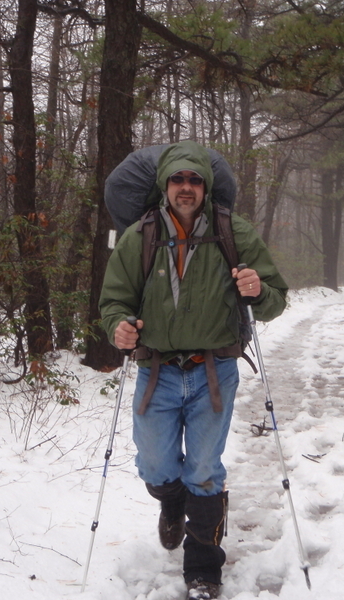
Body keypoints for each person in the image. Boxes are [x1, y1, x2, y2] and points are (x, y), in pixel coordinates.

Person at [99, 140, 288, 599]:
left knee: (204, 468)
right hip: (157, 371)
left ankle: (204, 568)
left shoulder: (233, 232)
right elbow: (114, 301)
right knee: (155, 464)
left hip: (214, 371)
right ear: (164, 185)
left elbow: (274, 301)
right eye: (178, 179)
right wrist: (119, 327)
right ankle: (172, 503)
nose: (186, 187)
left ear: (206, 187)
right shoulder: (139, 235)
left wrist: (257, 289)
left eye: (195, 180)